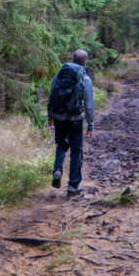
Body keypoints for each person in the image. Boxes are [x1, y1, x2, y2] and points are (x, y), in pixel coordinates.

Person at [47, 49, 95, 197]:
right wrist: (90, 124)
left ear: (73, 59)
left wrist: (50, 116)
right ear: (85, 62)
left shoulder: (61, 73)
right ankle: (73, 186)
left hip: (59, 117)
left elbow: (51, 93)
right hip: (75, 119)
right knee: (76, 150)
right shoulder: (84, 78)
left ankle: (58, 170)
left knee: (61, 145)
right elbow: (88, 104)